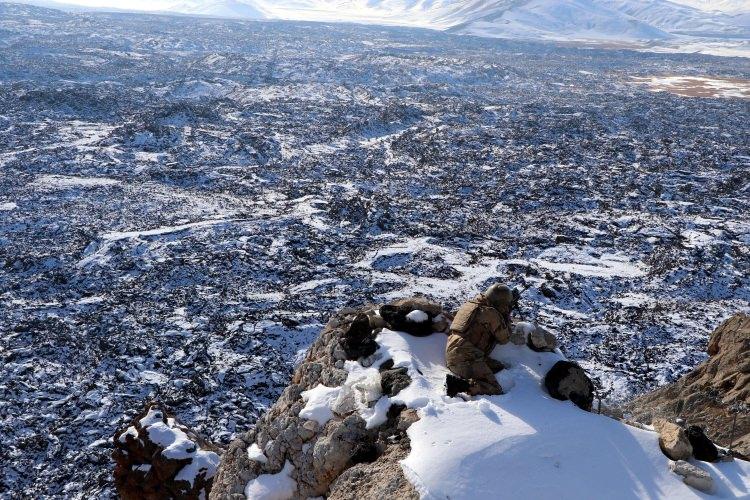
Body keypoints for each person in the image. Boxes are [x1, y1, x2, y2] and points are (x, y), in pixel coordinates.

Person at [445, 284, 513, 396]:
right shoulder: (491, 313)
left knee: (498, 367)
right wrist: (506, 316)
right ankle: (460, 385)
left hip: (454, 352)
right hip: (467, 357)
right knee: (495, 388)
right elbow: (504, 338)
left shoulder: (469, 305)